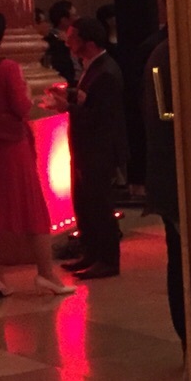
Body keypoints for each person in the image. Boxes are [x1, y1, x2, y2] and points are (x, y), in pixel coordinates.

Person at [0, 13, 74, 298]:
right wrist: (29, 92)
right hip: (12, 148)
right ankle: (45, 273)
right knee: (33, 210)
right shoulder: (8, 68)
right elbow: (21, 107)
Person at [52, 15, 127, 279]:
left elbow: (102, 117)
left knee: (100, 205)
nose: (68, 43)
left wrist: (68, 107)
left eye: (73, 38)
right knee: (86, 203)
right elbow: (91, 100)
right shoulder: (95, 67)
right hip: (88, 148)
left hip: (99, 149)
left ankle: (107, 260)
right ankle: (92, 253)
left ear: (89, 42)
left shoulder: (106, 71)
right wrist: (72, 95)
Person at [142, 31, 185, 350]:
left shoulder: (160, 52)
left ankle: (189, 346)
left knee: (178, 261)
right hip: (178, 178)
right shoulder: (174, 54)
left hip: (169, 177)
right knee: (184, 266)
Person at [41, 0, 78, 86]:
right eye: (74, 15)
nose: (78, 18)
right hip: (68, 84)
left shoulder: (77, 36)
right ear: (64, 20)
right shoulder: (53, 42)